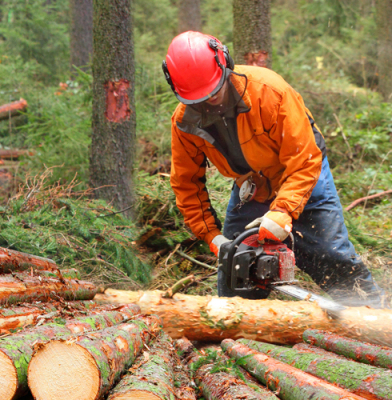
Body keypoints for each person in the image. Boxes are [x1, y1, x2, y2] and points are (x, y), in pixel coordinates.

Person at [162, 31, 386, 307]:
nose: (210, 101)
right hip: (252, 186)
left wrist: (282, 213)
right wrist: (212, 236)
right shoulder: (185, 121)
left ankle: (376, 318)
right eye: (199, 98)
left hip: (301, 173)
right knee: (236, 267)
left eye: (214, 91)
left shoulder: (269, 92)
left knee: (331, 254)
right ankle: (239, 338)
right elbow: (186, 183)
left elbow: (304, 159)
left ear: (225, 64)